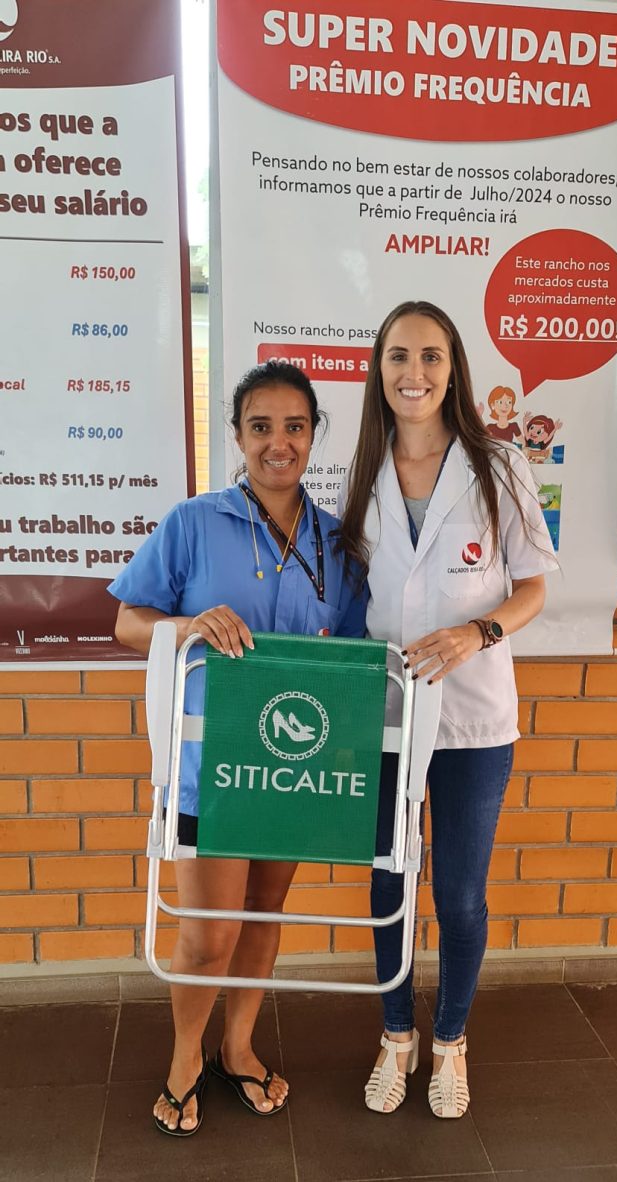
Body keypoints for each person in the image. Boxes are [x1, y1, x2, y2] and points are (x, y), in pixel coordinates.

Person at [108, 361, 366, 1136]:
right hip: (211, 766)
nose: (278, 443)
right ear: (238, 436)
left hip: (292, 768)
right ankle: (186, 1057)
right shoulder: (194, 522)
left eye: (294, 427)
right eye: (261, 427)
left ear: (313, 435)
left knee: (262, 912)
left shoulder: (337, 542)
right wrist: (187, 626)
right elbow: (127, 622)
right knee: (208, 930)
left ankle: (238, 1047)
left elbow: (354, 654)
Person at [338, 301, 556, 1119]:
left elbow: (533, 587)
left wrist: (478, 631)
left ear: (454, 368)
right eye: (399, 356)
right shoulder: (364, 469)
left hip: (473, 718)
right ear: (379, 369)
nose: (414, 372)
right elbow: (352, 593)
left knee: (460, 895)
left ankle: (451, 1043)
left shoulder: (498, 465)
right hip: (386, 715)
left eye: (431, 356)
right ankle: (396, 1035)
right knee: (390, 882)